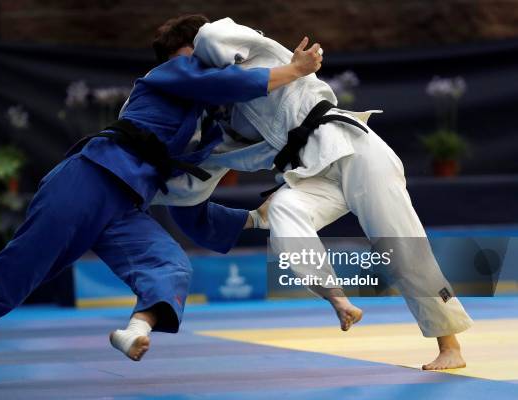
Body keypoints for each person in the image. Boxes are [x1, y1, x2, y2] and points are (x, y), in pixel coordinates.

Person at [0, 14, 324, 380]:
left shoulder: (202, 116)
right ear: (187, 50)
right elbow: (220, 83)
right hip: (89, 179)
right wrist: (290, 70)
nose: (213, 57)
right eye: (203, 48)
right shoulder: (168, 72)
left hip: (127, 204)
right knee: (22, 270)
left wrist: (253, 216)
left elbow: (191, 193)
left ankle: (135, 330)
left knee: (170, 266)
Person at [153, 17, 473, 370]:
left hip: (351, 149)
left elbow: (216, 37)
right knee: (283, 212)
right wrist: (140, 190)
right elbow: (206, 164)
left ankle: (449, 345)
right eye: (178, 69)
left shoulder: (220, 44)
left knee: (397, 243)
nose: (188, 74)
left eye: (186, 60)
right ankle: (336, 298)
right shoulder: (223, 113)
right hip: (308, 171)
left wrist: (296, 68)